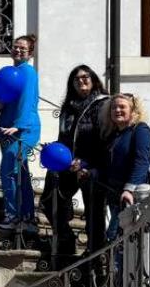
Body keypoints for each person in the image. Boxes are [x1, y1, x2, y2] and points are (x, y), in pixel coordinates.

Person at [44, 65, 112, 264]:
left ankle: (95, 256)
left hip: (90, 166)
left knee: (94, 213)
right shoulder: (68, 107)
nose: (81, 81)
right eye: (76, 79)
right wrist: (55, 150)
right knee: (50, 200)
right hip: (67, 164)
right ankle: (65, 237)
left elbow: (105, 140)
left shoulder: (103, 104)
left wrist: (85, 163)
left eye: (85, 77)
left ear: (93, 79)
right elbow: (64, 136)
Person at [89, 92, 150, 241]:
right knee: (118, 238)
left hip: (134, 197)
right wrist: (89, 171)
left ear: (133, 110)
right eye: (113, 107)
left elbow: (141, 161)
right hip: (115, 197)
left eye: (122, 107)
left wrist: (129, 189)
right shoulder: (114, 135)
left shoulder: (140, 130)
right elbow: (106, 166)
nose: (117, 110)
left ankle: (119, 265)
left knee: (118, 238)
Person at [0, 35, 41, 234]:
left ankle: (13, 215)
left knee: (8, 169)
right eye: (16, 46)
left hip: (22, 130)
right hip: (7, 128)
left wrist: (19, 126)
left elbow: (27, 99)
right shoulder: (11, 72)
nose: (18, 50)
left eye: (23, 48)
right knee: (19, 172)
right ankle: (28, 217)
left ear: (30, 54)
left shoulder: (27, 72)